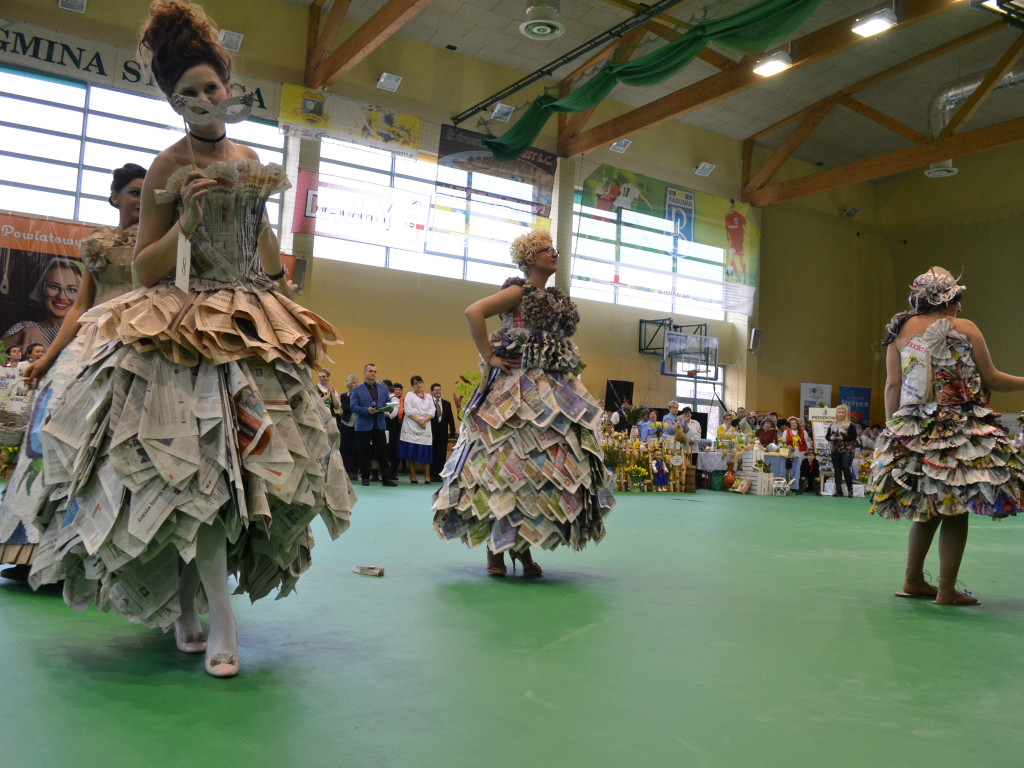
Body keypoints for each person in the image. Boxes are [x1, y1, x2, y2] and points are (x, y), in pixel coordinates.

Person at [25, 0, 355, 678]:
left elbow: (266, 261)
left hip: (251, 319)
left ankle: (191, 607)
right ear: (173, 102)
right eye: (190, 93)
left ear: (227, 86)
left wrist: (264, 229)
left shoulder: (252, 155)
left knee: (260, 475)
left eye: (213, 87)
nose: (207, 100)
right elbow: (144, 267)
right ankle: (213, 616)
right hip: (183, 324)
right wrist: (190, 218)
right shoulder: (168, 164)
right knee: (195, 478)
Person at [433, 230, 614, 577]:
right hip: (514, 391)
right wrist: (489, 356)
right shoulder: (517, 292)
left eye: (554, 249)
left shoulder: (555, 299)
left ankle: (522, 545)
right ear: (530, 258)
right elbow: (474, 312)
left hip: (552, 393)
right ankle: (496, 549)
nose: (554, 253)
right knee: (503, 469)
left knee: (535, 473)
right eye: (546, 250)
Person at [0, 163, 147, 581]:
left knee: (119, 440)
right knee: (51, 434)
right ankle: (32, 552)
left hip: (141, 339)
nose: (141, 200)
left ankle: (110, 557)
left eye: (148, 193)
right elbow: (81, 307)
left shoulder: (162, 241)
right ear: (114, 196)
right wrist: (47, 358)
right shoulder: (99, 244)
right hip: (90, 344)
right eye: (134, 192)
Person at [869, 267, 1024, 606]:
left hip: (913, 428)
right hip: (957, 428)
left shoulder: (900, 329)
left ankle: (912, 580)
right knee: (955, 509)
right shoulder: (965, 328)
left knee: (928, 504)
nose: (960, 308)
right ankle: (946, 590)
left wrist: (893, 429)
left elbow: (893, 385)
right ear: (950, 298)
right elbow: (992, 378)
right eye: (958, 300)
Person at [2, 258, 84, 351]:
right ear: (42, 288)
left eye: (72, 289)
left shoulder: (89, 329)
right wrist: (23, 333)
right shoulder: (24, 327)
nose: (61, 296)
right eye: (53, 286)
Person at [351, 362, 396, 487]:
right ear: (364, 372)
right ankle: (365, 477)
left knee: (383, 453)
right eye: (370, 371)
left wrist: (390, 408)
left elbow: (387, 403)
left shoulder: (383, 389)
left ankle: (386, 479)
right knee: (364, 453)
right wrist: (366, 410)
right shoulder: (356, 390)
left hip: (379, 424)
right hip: (363, 426)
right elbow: (353, 406)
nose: (373, 373)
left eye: (375, 371)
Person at [397, 375, 434, 483]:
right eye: (415, 383)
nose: (418, 385)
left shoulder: (429, 397)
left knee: (426, 451)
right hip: (411, 425)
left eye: (420, 382)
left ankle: (427, 475)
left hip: (425, 426)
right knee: (411, 451)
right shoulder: (409, 395)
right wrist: (419, 420)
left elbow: (432, 411)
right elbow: (408, 410)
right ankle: (412, 474)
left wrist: (424, 420)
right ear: (412, 385)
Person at [428, 383, 457, 483]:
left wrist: (452, 433)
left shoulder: (447, 404)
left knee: (442, 455)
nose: (438, 392)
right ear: (431, 392)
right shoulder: (428, 403)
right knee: (432, 454)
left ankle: (439, 475)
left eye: (439, 390)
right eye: (435, 390)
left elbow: (451, 420)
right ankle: (432, 475)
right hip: (430, 434)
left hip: (443, 434)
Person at [826, 405, 857, 497]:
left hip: (846, 449)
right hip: (835, 449)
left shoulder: (850, 424)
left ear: (845, 414)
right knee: (837, 470)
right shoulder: (832, 425)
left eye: (842, 412)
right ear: (836, 413)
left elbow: (853, 436)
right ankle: (838, 490)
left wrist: (843, 438)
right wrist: (831, 437)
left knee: (846, 468)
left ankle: (850, 491)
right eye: (839, 412)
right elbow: (827, 436)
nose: (840, 414)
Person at [338, 373, 359, 475]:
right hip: (346, 423)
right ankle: (347, 470)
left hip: (357, 425)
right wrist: (353, 400)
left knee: (356, 448)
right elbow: (346, 409)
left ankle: (355, 471)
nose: (356, 384)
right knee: (345, 448)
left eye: (357, 382)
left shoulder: (361, 396)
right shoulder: (344, 396)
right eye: (354, 382)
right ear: (349, 384)